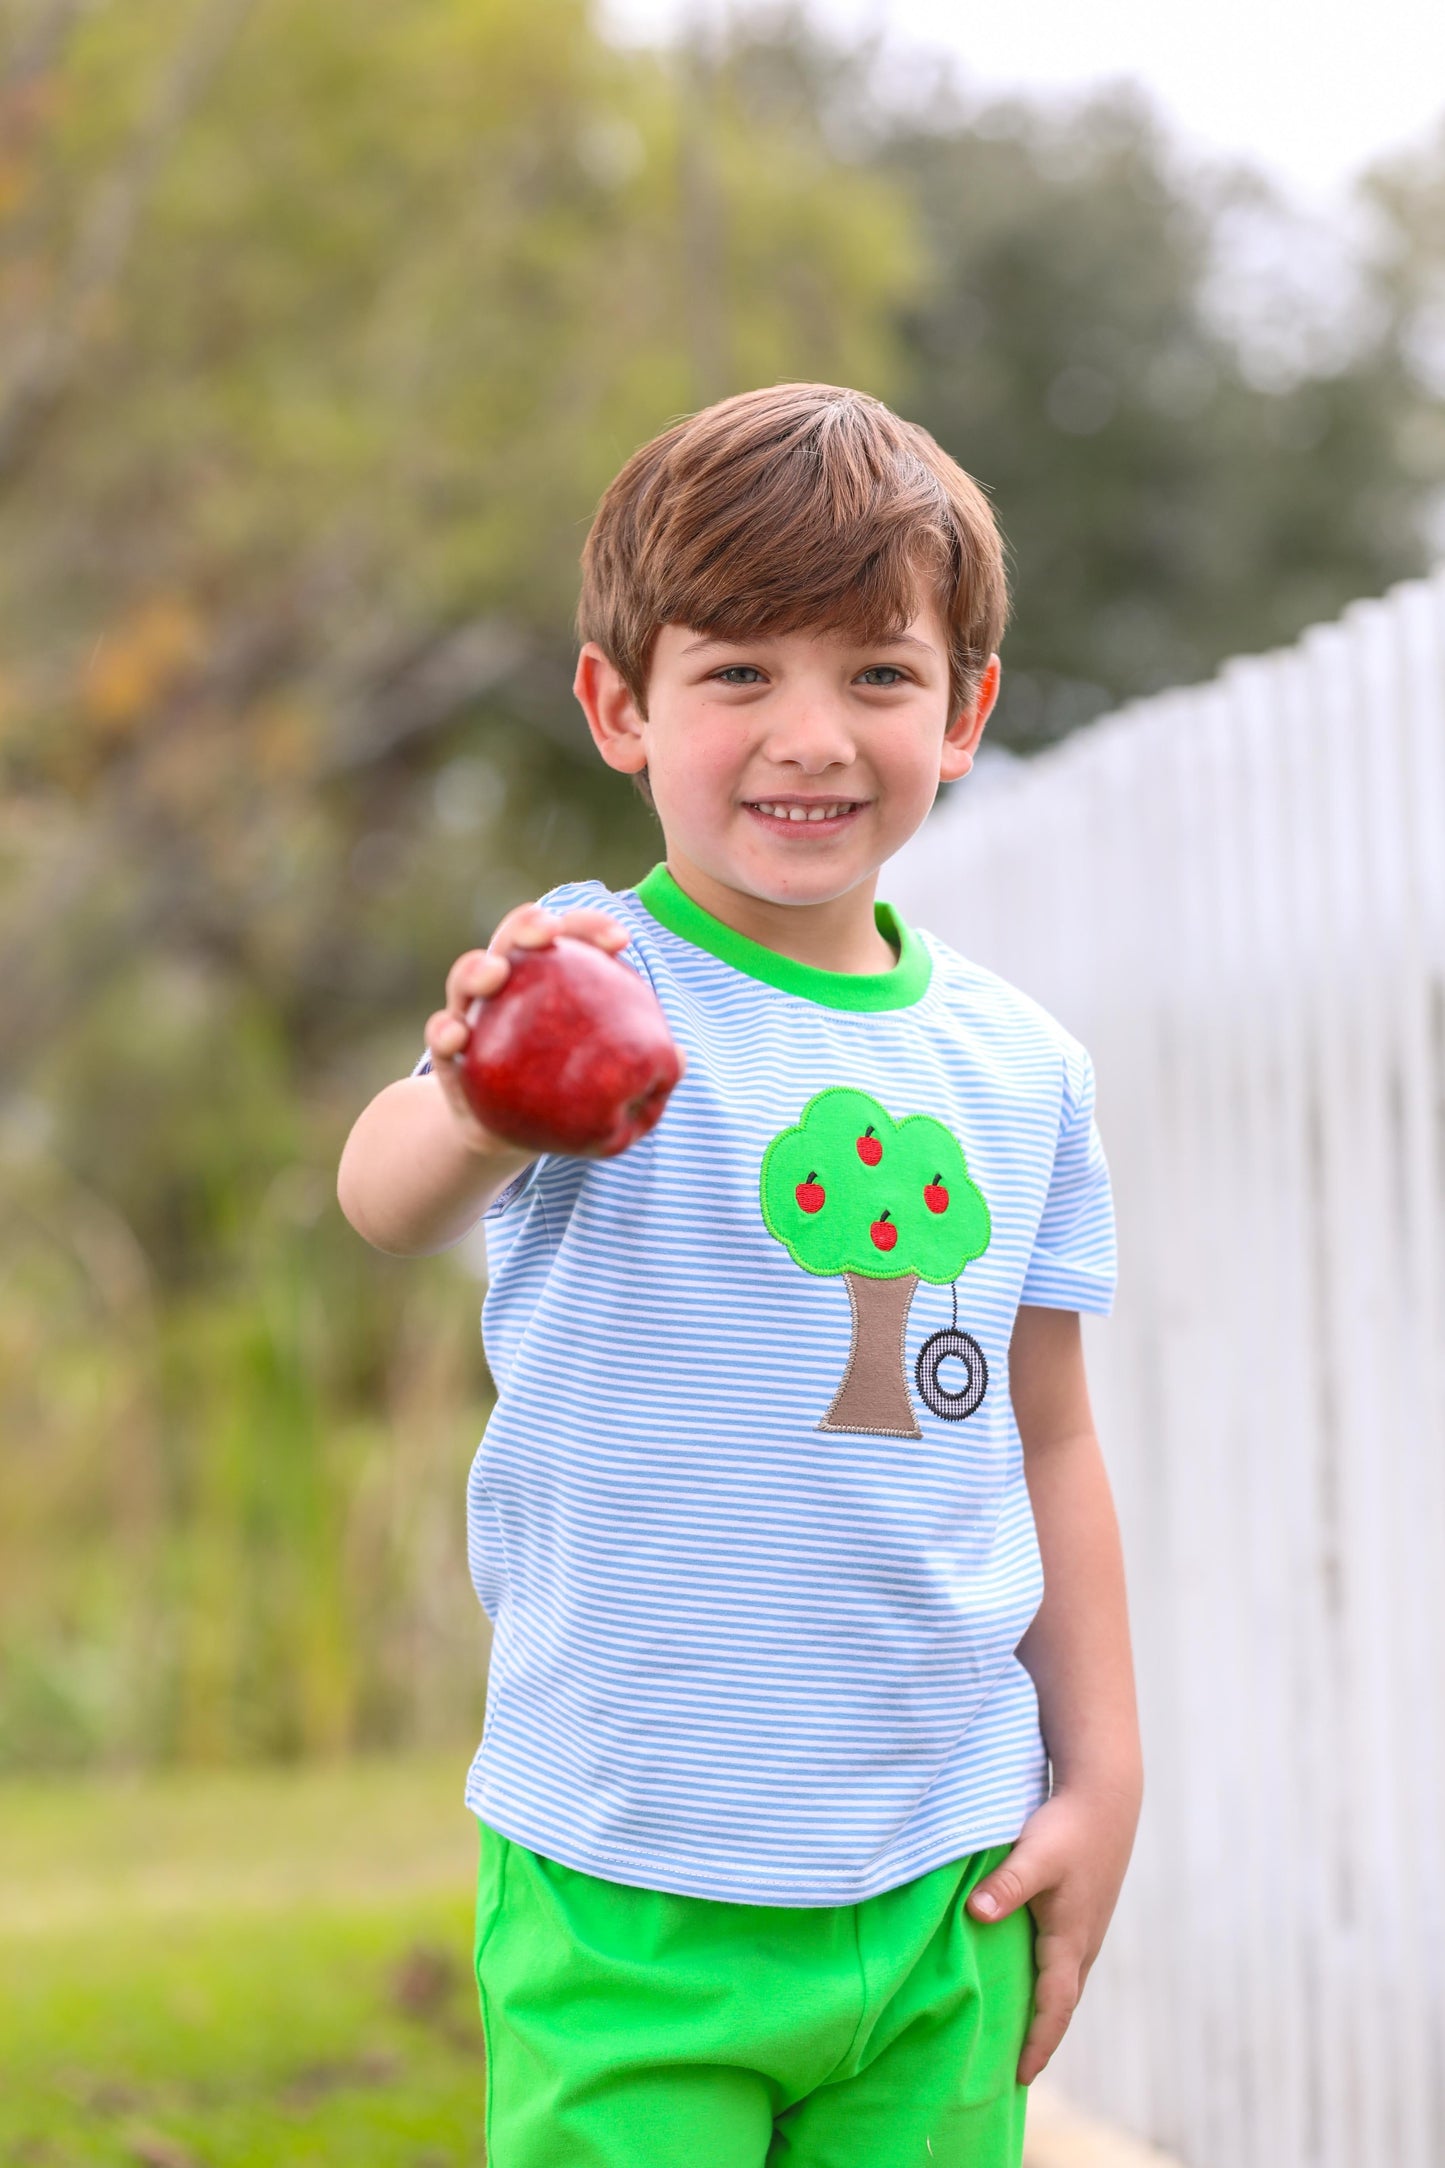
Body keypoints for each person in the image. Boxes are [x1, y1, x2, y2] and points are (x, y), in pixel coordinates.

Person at [336, 382, 1142, 2168]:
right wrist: (476, 1085)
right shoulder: (583, 974)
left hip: (945, 1887)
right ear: (619, 707)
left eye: (876, 674)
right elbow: (384, 1195)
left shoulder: (1022, 1073)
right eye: (736, 677)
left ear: (964, 712)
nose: (812, 736)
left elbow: (1052, 1439)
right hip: (630, 1880)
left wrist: (1101, 1776)